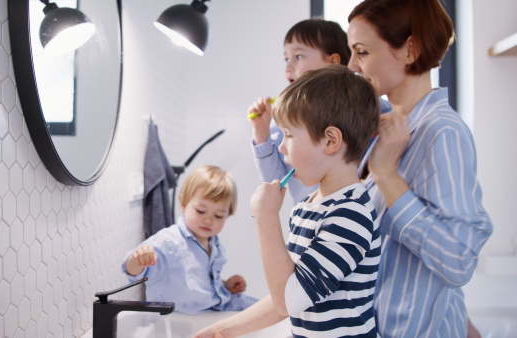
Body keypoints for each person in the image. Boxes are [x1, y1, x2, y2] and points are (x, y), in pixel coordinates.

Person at [195, 64, 382, 337]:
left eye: (289, 135)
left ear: (330, 140)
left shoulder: (350, 215)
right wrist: (221, 330)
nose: (281, 146)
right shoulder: (309, 206)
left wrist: (266, 216)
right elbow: (292, 293)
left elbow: (287, 300)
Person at [346, 0, 493, 336]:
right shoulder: (385, 128)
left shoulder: (443, 132)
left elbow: (458, 261)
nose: (353, 65)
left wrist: (386, 176)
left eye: (362, 52)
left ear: (410, 49)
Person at [121, 165, 258, 314]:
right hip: (180, 321)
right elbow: (130, 270)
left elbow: (203, 281)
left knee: (264, 310)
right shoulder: (169, 242)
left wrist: (225, 286)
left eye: (218, 215)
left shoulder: (214, 244)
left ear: (228, 215)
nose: (208, 220)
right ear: (183, 204)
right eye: (200, 211)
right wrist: (138, 259)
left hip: (215, 308)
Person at [248, 18, 353, 203]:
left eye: (298, 56)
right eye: (286, 58)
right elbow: (276, 180)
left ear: (333, 61)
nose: (288, 67)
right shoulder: (284, 119)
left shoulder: (361, 109)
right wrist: (261, 132)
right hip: (306, 221)